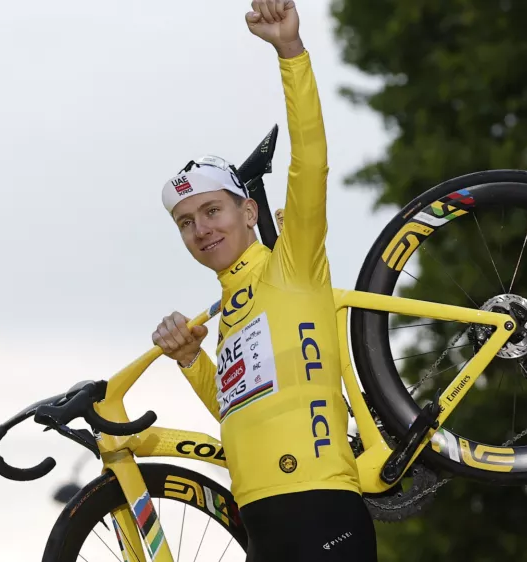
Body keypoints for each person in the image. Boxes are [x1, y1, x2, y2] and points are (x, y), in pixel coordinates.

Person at [151, 1, 378, 560]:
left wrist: (290, 53)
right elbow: (239, 416)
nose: (200, 230)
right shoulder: (228, 314)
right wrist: (189, 360)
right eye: (186, 223)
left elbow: (311, 164)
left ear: (250, 212)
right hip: (259, 521)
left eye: (211, 211)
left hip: (322, 503)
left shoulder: (291, 265)